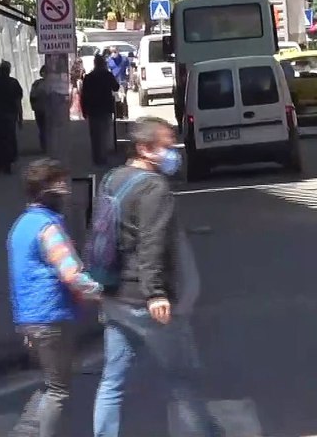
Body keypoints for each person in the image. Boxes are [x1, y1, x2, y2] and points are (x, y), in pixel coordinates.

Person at [92, 117, 222, 437]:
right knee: (182, 377)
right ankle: (205, 433)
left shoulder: (111, 178)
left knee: (112, 379)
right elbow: (152, 243)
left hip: (114, 293)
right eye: (166, 146)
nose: (173, 153)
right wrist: (156, 294)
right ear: (144, 149)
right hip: (142, 299)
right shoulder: (154, 187)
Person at [7, 158, 102, 437]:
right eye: (59, 184)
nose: (65, 191)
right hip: (51, 316)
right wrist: (103, 294)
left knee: (51, 383)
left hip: (30, 317)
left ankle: (25, 431)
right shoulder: (48, 228)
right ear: (44, 190)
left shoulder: (21, 226)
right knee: (59, 389)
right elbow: (71, 274)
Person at [0, 61, 24, 175]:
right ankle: (7, 164)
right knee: (9, 139)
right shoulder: (13, 83)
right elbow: (18, 102)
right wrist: (20, 118)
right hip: (10, 115)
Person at [81, 54, 120, 167]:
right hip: (105, 108)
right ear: (104, 63)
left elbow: (84, 95)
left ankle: (96, 157)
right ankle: (102, 157)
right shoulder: (107, 75)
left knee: (95, 134)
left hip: (92, 109)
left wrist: (84, 110)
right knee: (103, 133)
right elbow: (116, 87)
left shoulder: (88, 77)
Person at [30, 66, 50, 153]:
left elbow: (32, 96)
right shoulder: (52, 84)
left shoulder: (37, 84)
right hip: (43, 109)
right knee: (45, 128)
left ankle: (45, 146)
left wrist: (33, 106)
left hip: (40, 109)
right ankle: (46, 146)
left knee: (43, 128)